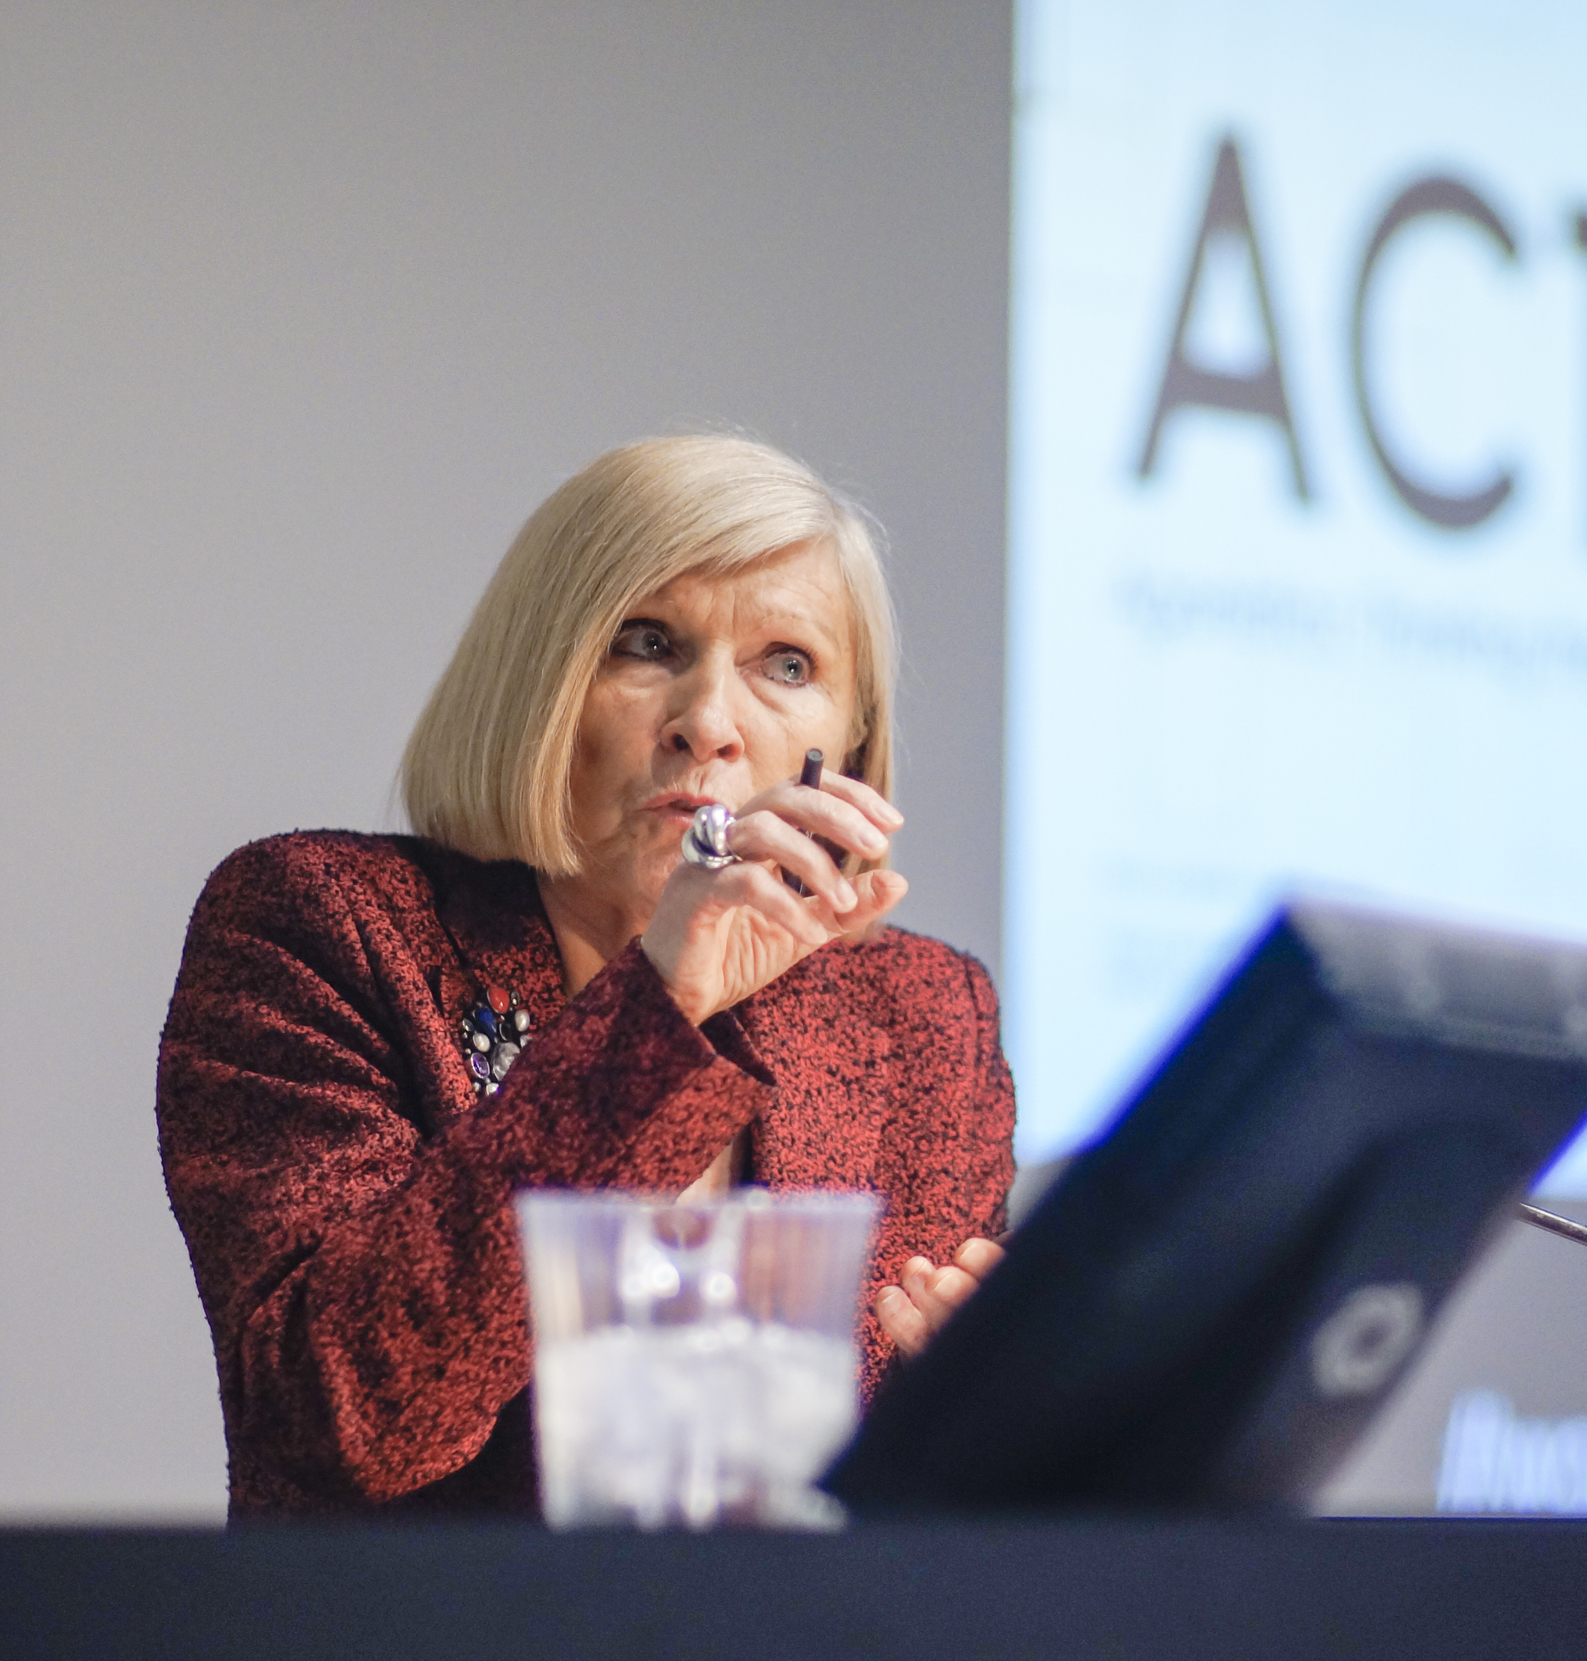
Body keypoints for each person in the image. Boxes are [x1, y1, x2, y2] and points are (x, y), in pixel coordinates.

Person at [156, 435, 1012, 1516]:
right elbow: (346, 1423)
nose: (709, 722)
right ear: (542, 683)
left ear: (848, 741)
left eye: (786, 663)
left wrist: (1000, 1413)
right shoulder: (325, 925)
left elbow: (911, 1498)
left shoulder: (920, 1013)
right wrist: (660, 1005)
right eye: (646, 643)